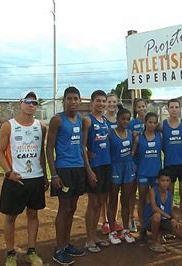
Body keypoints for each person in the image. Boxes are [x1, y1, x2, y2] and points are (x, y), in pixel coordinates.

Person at [0, 90, 48, 266]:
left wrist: (45, 176)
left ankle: (31, 251)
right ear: (20, 103)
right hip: (15, 179)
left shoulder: (41, 127)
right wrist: (8, 172)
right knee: (11, 217)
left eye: (34, 102)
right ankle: (10, 254)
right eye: (28, 101)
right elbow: (0, 153)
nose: (31, 105)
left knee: (33, 215)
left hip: (35, 178)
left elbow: (41, 153)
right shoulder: (9, 126)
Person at [47, 86, 87, 265]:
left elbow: (81, 146)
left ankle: (67, 243)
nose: (73, 102)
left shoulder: (80, 120)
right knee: (64, 208)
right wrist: (54, 175)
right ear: (64, 101)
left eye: (75, 98)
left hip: (78, 169)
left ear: (79, 101)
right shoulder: (57, 120)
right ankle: (59, 248)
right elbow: (49, 148)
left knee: (72, 207)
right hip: (63, 169)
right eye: (69, 98)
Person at [82, 90, 111, 253]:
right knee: (93, 203)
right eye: (98, 101)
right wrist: (89, 170)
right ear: (92, 102)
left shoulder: (105, 120)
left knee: (100, 203)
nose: (101, 104)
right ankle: (88, 239)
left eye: (103, 101)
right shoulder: (87, 120)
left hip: (106, 165)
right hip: (95, 167)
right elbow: (82, 145)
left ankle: (95, 235)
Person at [159, 99, 182, 228]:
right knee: (169, 193)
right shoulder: (162, 125)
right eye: (171, 107)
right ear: (167, 109)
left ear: (180, 109)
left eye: (176, 107)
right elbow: (161, 144)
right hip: (170, 163)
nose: (174, 109)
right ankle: (170, 218)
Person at [108, 106, 136, 245]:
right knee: (113, 199)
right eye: (123, 119)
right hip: (115, 167)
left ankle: (125, 230)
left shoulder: (131, 133)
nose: (125, 121)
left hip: (128, 167)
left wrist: (134, 148)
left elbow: (133, 149)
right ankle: (112, 231)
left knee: (126, 199)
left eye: (127, 119)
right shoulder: (110, 133)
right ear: (117, 119)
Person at [133, 112, 162, 240]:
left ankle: (158, 228)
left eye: (155, 122)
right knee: (143, 200)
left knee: (157, 200)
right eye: (150, 122)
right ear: (145, 122)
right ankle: (143, 227)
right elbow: (133, 154)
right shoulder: (139, 138)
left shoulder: (159, 136)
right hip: (143, 173)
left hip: (156, 174)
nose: (152, 124)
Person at [143, 169, 182, 253]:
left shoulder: (169, 194)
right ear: (158, 180)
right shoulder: (153, 191)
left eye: (167, 180)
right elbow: (154, 208)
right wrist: (170, 218)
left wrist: (176, 220)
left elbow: (170, 210)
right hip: (151, 221)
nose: (165, 183)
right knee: (157, 216)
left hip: (164, 220)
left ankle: (161, 234)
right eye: (162, 180)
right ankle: (154, 243)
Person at [101, 93, 122, 235]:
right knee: (105, 192)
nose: (112, 104)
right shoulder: (101, 119)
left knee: (116, 192)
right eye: (109, 102)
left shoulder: (119, 119)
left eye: (114, 102)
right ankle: (105, 221)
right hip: (105, 159)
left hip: (118, 159)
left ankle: (114, 219)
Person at [128, 98, 147, 233]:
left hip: (146, 161)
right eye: (139, 107)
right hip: (134, 160)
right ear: (135, 109)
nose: (141, 109)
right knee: (131, 192)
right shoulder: (131, 123)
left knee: (144, 194)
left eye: (143, 106)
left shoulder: (150, 122)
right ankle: (131, 218)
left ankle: (144, 220)